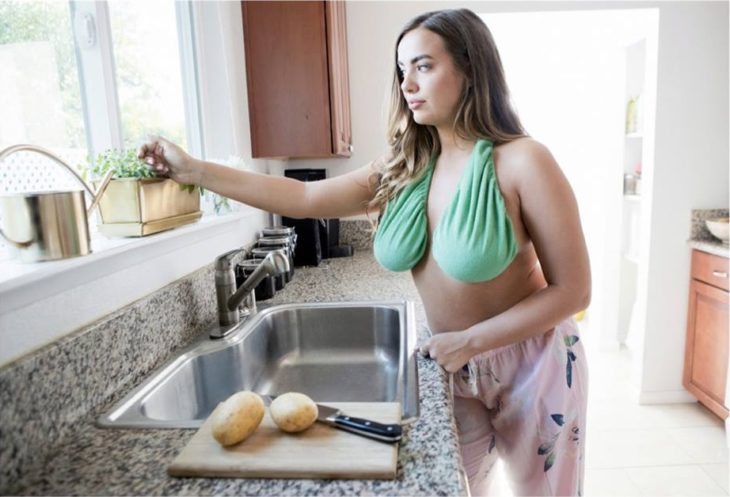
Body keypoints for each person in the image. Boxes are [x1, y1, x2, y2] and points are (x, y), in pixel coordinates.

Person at [138, 8, 590, 496]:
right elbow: (305, 198)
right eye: (402, 71)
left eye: (423, 66)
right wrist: (197, 171)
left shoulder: (524, 160)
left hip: (534, 362)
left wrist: (473, 341)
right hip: (452, 363)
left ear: (469, 68)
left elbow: (573, 289)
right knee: (452, 487)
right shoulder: (404, 166)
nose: (407, 84)